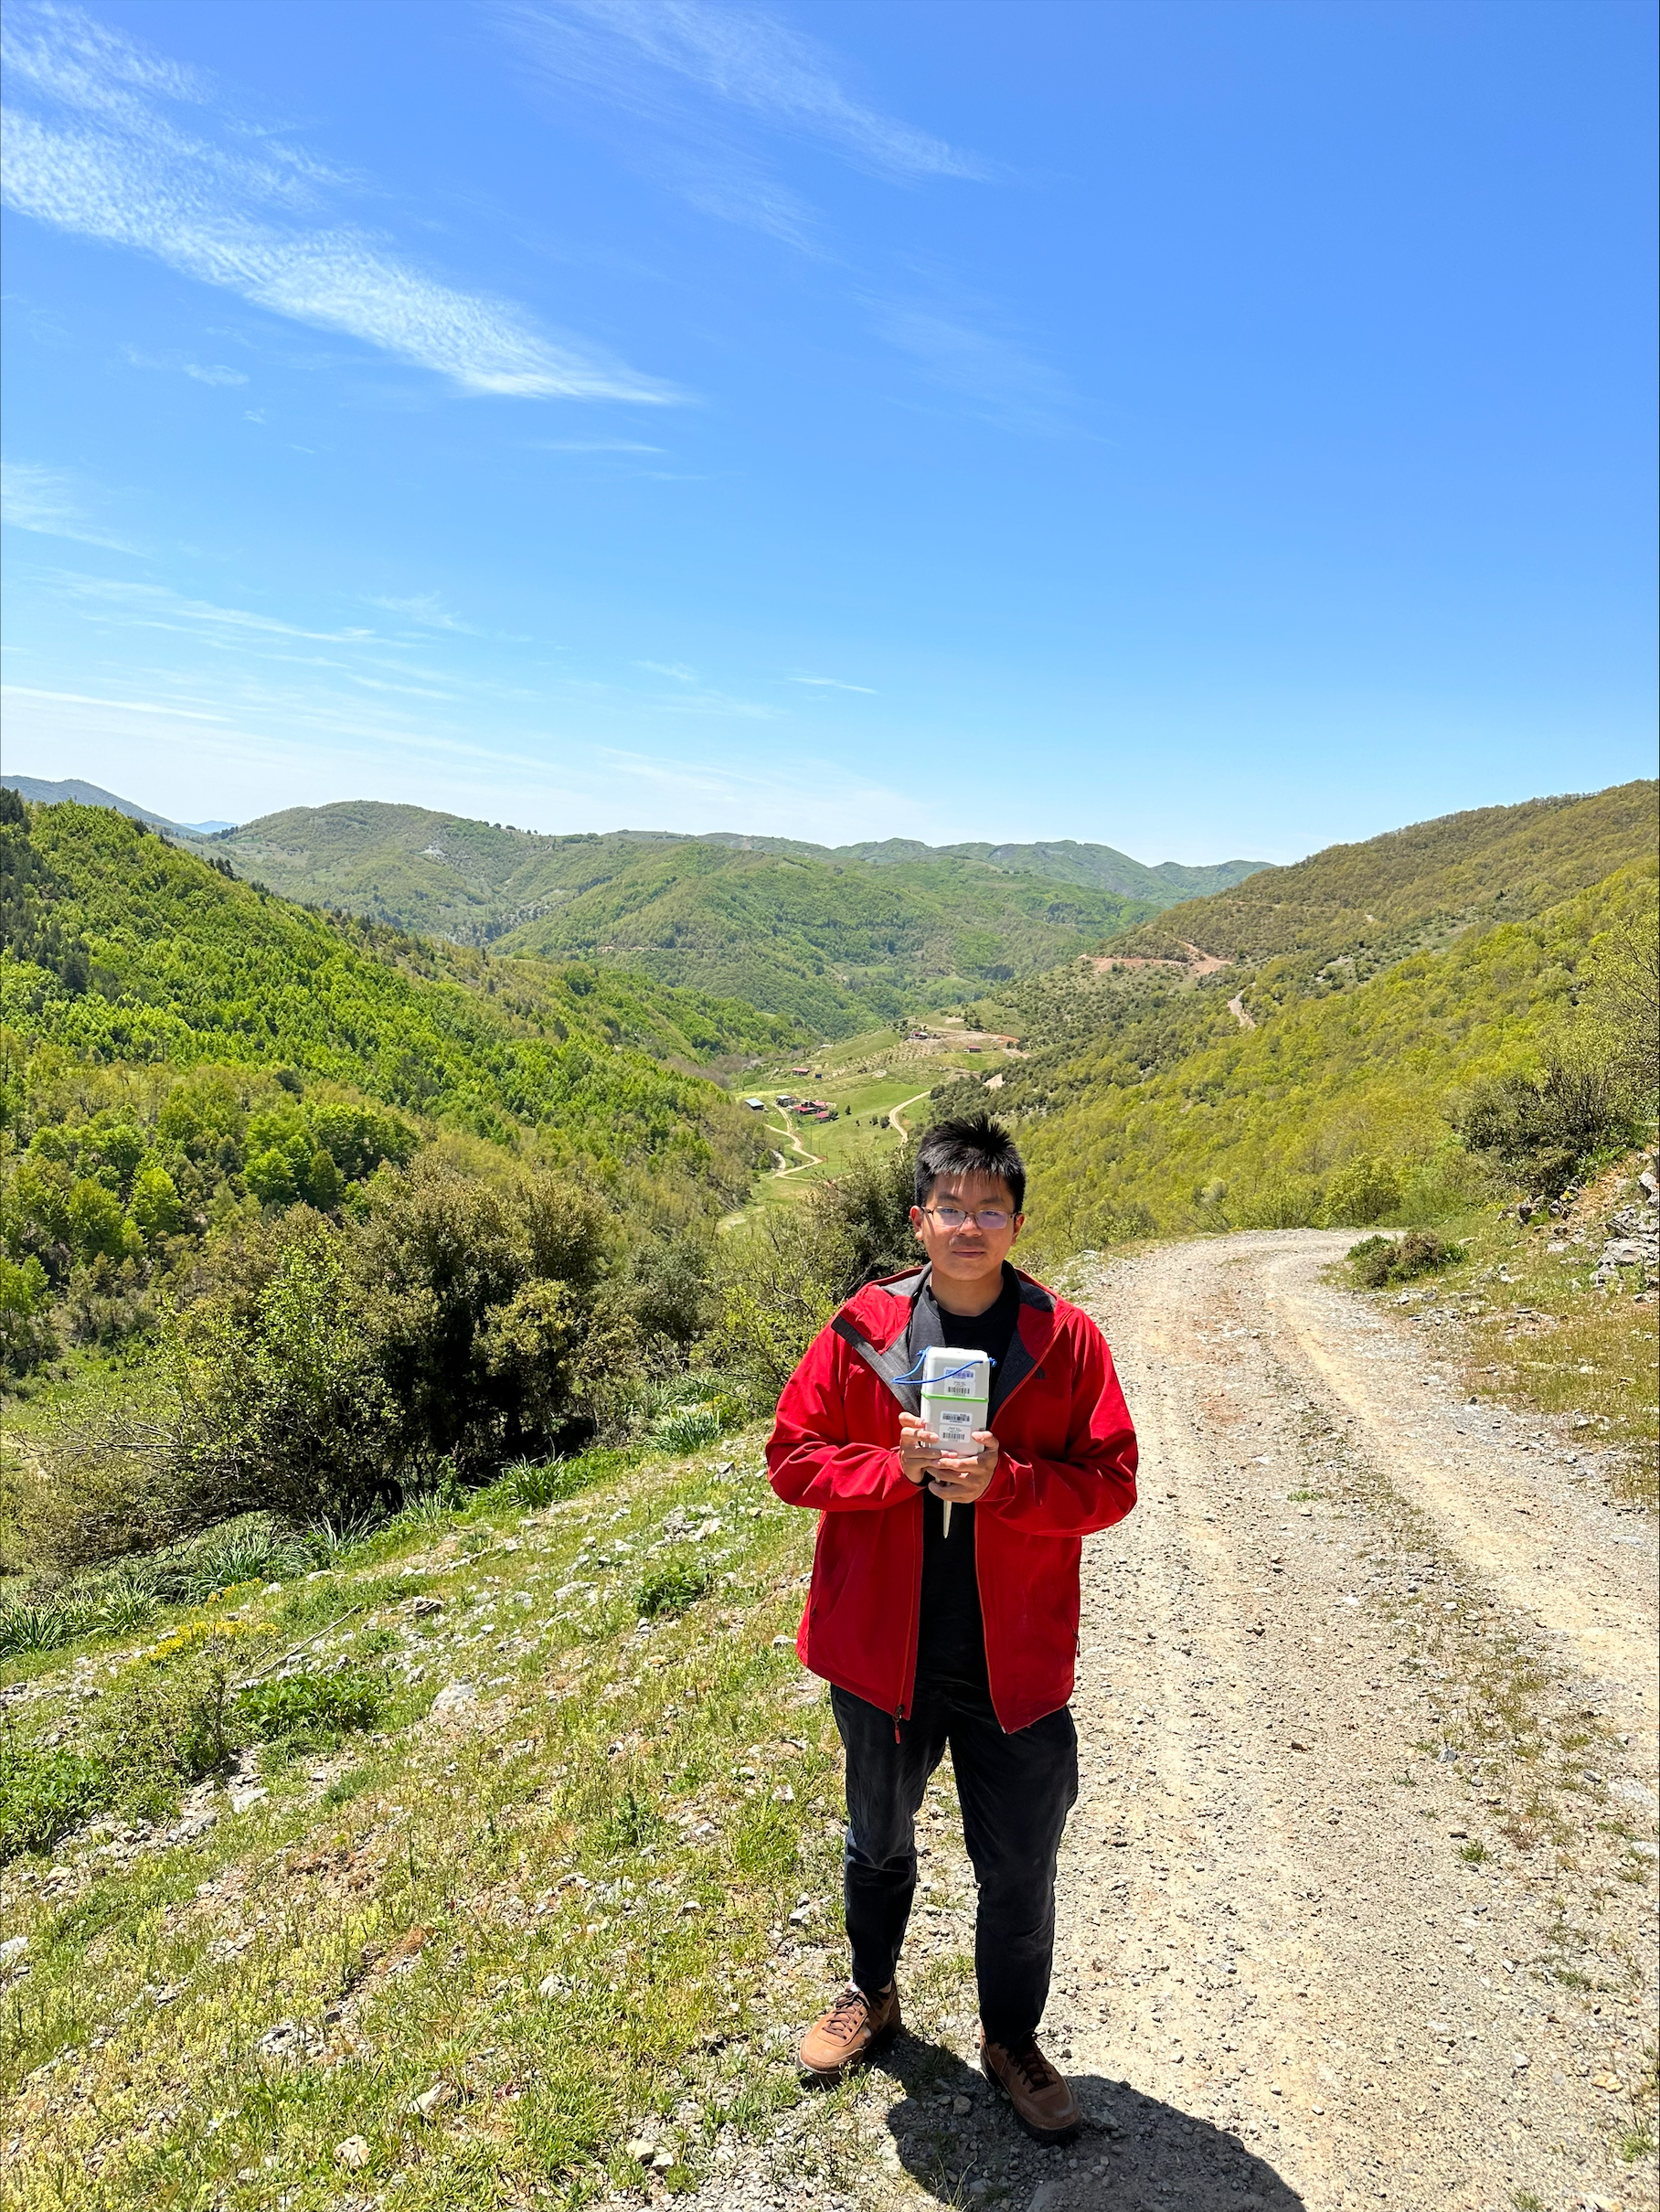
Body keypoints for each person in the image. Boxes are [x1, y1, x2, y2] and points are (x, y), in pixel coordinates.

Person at [765, 1113, 1139, 2143]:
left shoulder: (1064, 1340)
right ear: (919, 1218)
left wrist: (1006, 1481)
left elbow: (1111, 1484)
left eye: (990, 1207)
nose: (968, 1223)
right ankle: (873, 1993)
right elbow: (791, 1458)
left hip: (1012, 1662)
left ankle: (1010, 2038)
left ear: (1014, 1221)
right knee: (876, 1842)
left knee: (1019, 1861)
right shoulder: (860, 1330)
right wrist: (892, 1468)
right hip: (879, 1657)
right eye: (950, 1206)